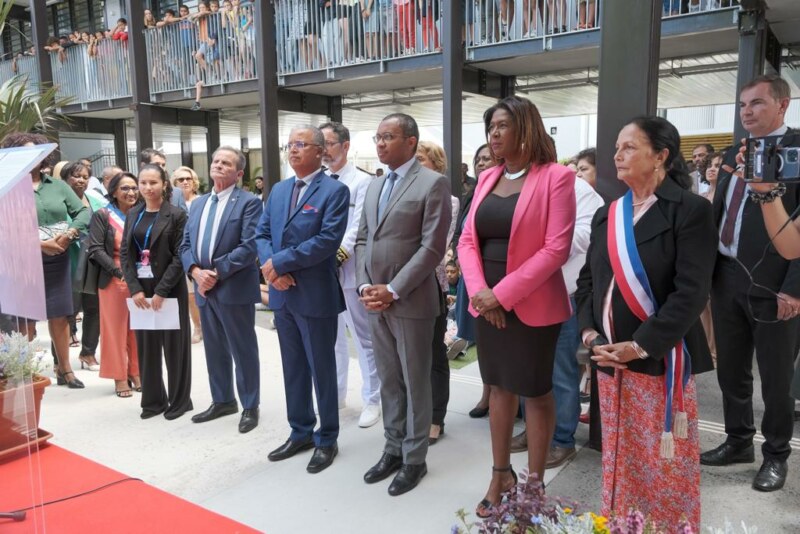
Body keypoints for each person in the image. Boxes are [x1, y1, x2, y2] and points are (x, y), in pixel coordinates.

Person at [575, 116, 716, 529]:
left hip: (659, 359)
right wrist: (591, 335)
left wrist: (638, 346)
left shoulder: (690, 211)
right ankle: (621, 522)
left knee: (661, 460)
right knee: (620, 453)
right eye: (617, 147)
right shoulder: (609, 214)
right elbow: (587, 283)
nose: (617, 155)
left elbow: (691, 292)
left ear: (660, 156)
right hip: (609, 358)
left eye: (629, 147)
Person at [457, 96, 575, 517]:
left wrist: (502, 294)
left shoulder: (557, 177)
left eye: (503, 125)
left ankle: (534, 486)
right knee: (499, 387)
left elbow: (556, 248)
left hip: (531, 303)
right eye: (491, 127)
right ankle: (501, 474)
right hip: (486, 302)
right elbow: (467, 240)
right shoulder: (487, 177)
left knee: (536, 390)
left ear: (526, 127)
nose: (494, 134)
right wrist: (480, 293)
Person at [700, 74, 800, 492]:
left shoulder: (796, 151)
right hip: (726, 276)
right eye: (742, 105)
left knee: (775, 379)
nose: (747, 112)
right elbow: (720, 211)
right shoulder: (734, 152)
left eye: (757, 103)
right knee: (732, 369)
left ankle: (776, 455)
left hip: (775, 283)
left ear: (782, 105)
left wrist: (794, 287)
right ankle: (738, 440)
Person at [355, 113, 451, 496]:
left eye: (388, 137)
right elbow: (363, 239)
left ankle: (414, 459)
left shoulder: (432, 183)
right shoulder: (376, 186)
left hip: (410, 300)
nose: (380, 143)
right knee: (389, 380)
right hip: (374, 300)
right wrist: (366, 285)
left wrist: (393, 289)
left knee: (415, 381)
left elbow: (432, 248)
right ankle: (392, 448)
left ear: (411, 141)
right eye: (377, 137)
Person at [256, 126, 349, 473]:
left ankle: (327, 439)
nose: (292, 150)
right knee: (293, 368)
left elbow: (327, 241)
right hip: (282, 294)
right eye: (289, 144)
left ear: (320, 151)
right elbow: (262, 233)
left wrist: (280, 263)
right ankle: (300, 431)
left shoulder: (334, 191)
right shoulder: (280, 190)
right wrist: (272, 271)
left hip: (314, 295)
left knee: (321, 369)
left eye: (301, 144)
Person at [181, 146, 263, 433]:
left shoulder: (249, 203)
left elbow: (249, 246)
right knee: (214, 348)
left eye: (225, 163)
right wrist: (195, 271)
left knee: (243, 349)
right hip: (204, 288)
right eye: (215, 161)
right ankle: (223, 400)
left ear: (239, 173)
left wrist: (215, 272)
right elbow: (185, 244)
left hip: (232, 286)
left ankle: (250, 405)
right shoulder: (199, 204)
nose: (217, 165)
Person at [1, 132, 90, 389]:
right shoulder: (7, 185)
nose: (33, 157)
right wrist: (38, 244)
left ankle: (65, 370)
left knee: (60, 316)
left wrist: (70, 233)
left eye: (37, 152)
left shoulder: (58, 186)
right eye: (26, 152)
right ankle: (22, 372)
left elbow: (83, 211)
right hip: (22, 264)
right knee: (26, 322)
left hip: (58, 260)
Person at [320, 121, 382, 428]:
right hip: (320, 271)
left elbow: (359, 227)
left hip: (351, 270)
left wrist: (334, 257)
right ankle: (336, 393)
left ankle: (373, 399)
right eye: (320, 145)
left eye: (329, 144)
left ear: (345, 146)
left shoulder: (362, 181)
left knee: (363, 337)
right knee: (331, 339)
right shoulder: (317, 181)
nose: (323, 150)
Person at [121, 165, 193, 420]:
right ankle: (153, 401)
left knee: (175, 348)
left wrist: (162, 290)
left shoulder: (176, 215)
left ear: (164, 184)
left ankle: (180, 401)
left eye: (153, 182)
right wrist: (135, 289)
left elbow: (180, 255)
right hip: (142, 289)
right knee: (147, 346)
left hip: (169, 289)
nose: (147, 187)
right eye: (143, 183)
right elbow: (125, 254)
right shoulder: (134, 213)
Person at [415, 140, 460, 445]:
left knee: (433, 354)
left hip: (431, 284)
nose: (416, 164)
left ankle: (435, 418)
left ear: (437, 164)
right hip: (399, 288)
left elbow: (437, 245)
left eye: (421, 159)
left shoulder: (449, 200)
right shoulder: (399, 192)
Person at [88, 172, 142, 397]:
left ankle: (136, 372)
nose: (131, 192)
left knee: (138, 328)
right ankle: (119, 376)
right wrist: (118, 272)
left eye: (134, 188)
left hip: (141, 277)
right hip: (114, 278)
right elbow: (96, 249)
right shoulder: (103, 215)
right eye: (125, 188)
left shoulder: (142, 213)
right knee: (115, 329)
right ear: (114, 192)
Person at [455, 143, 498, 418]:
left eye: (487, 158)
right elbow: (461, 234)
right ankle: (487, 394)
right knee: (482, 341)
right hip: (471, 279)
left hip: (495, 279)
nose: (481, 163)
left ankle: (507, 398)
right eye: (478, 159)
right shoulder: (472, 194)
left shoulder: (506, 192)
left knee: (500, 342)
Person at [62, 161, 106, 372]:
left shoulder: (96, 200)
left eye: (85, 177)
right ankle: (60, 361)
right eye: (76, 176)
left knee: (93, 309)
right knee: (66, 312)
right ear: (65, 179)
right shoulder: (58, 202)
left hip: (93, 263)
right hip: (68, 263)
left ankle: (88, 353)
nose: (81, 180)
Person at [172, 166, 204, 343]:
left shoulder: (203, 201)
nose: (185, 182)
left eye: (188, 179)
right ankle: (197, 327)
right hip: (180, 253)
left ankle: (206, 327)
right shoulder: (170, 203)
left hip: (200, 252)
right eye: (181, 179)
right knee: (190, 295)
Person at [140, 148, 188, 212]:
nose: (161, 168)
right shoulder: (135, 192)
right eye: (156, 164)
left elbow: (185, 216)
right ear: (143, 165)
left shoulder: (176, 193)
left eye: (163, 165)